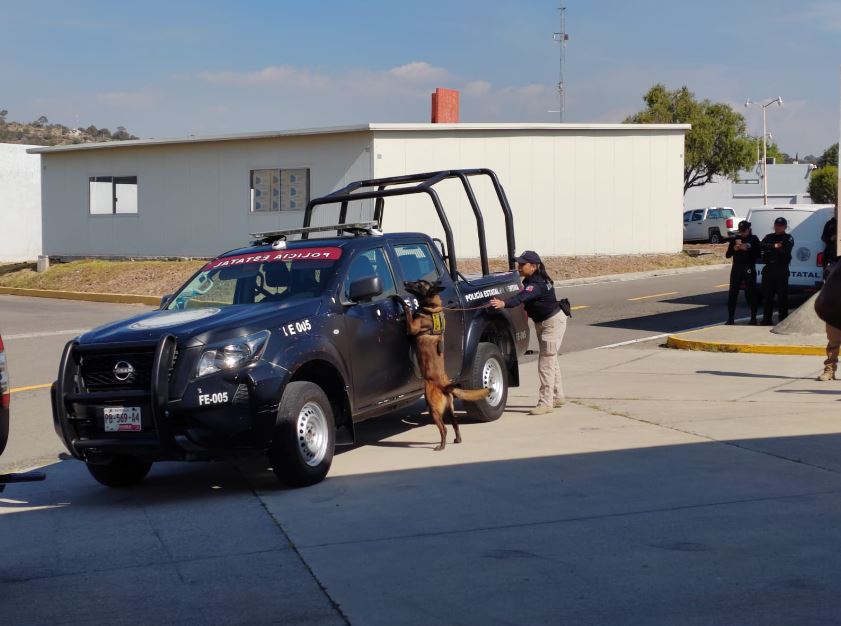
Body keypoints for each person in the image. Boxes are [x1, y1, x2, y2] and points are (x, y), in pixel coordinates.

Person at [490, 250, 566, 415]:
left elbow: (521, 298)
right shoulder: (534, 279)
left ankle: (546, 403)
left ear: (534, 266)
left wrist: (503, 303)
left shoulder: (536, 284)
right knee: (550, 359)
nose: (519, 267)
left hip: (551, 323)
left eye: (523, 264)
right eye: (519, 263)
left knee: (545, 363)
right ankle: (557, 395)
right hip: (546, 322)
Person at [759, 217, 794, 325]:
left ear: (785, 227)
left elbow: (785, 250)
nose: (778, 227)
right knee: (767, 296)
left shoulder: (788, 237)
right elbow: (761, 246)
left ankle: (783, 320)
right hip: (769, 269)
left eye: (780, 226)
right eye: (776, 225)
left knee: (782, 296)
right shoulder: (769, 236)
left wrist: (770, 248)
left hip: (781, 269)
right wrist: (774, 246)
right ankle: (766, 319)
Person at [725, 220, 760, 325]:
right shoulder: (735, 239)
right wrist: (734, 249)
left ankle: (753, 318)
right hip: (737, 267)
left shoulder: (754, 239)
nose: (742, 233)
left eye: (744, 231)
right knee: (733, 293)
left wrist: (748, 248)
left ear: (749, 229)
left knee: (751, 292)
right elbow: (727, 255)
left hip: (748, 267)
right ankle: (730, 318)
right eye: (741, 231)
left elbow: (758, 254)